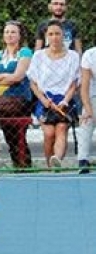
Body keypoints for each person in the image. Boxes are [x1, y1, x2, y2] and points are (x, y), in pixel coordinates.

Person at [27, 20, 81, 169]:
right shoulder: (38, 56)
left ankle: (56, 159)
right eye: (51, 34)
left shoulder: (73, 56)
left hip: (65, 100)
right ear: (46, 36)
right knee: (49, 133)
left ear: (63, 35)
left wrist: (65, 100)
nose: (54, 37)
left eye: (57, 33)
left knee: (61, 128)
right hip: (45, 100)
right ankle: (49, 165)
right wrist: (43, 100)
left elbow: (74, 83)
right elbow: (33, 82)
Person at [0, 21, 34, 168]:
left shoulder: (25, 52)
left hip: (21, 98)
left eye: (13, 32)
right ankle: (21, 163)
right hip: (2, 99)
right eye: (7, 32)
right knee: (11, 135)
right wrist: (8, 78)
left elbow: (18, 77)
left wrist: (1, 77)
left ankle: (22, 163)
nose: (9, 35)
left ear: (20, 35)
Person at [77, 43, 96, 174]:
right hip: (94, 95)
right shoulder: (89, 55)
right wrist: (88, 109)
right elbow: (84, 88)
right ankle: (83, 160)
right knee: (86, 119)